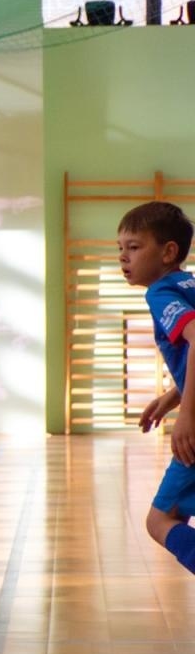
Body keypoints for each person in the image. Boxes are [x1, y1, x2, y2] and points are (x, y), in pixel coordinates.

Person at [124, 203, 195, 578]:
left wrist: (187, 415)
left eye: (134, 247)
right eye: (120, 248)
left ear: (168, 252)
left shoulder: (161, 292)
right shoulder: (190, 284)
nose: (123, 256)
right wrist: (172, 396)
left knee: (160, 520)